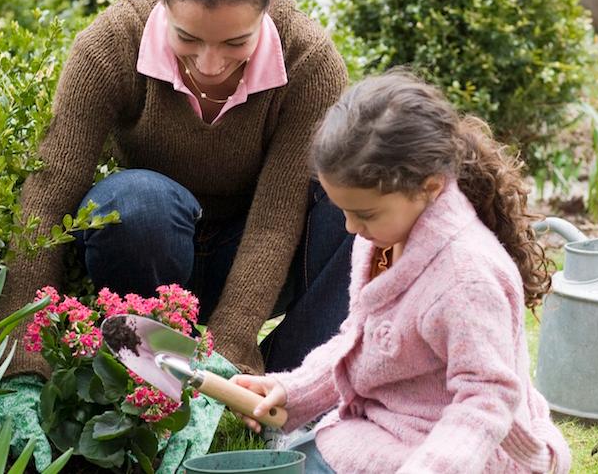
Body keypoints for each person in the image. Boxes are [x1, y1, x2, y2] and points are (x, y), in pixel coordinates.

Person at [0, 0, 353, 471]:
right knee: (133, 202)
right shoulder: (110, 42)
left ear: (269, 5)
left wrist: (229, 354)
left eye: (236, 42)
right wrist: (18, 359)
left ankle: (286, 396)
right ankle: (154, 373)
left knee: (348, 205)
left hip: (256, 253)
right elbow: (47, 193)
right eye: (188, 38)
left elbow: (275, 220)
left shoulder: (310, 61)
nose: (210, 66)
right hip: (153, 251)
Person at [232, 72, 573, 473]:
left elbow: (488, 398)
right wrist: (292, 390)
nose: (349, 228)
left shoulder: (467, 278)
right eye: (344, 211)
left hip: (465, 453)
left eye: (364, 214)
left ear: (429, 187)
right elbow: (358, 341)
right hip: (390, 427)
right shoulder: (381, 239)